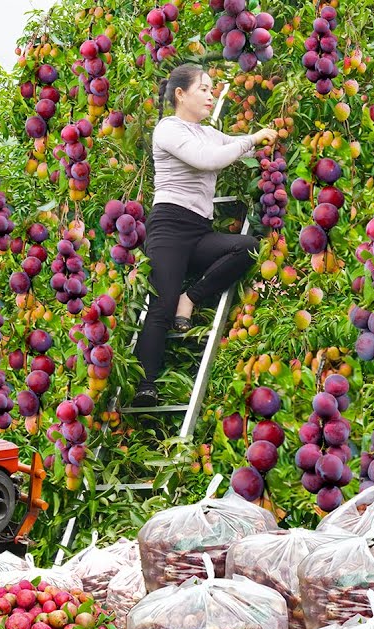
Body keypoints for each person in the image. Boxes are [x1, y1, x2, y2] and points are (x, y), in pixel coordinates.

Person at [131, 63, 278, 407]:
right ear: (180, 94)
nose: (211, 95)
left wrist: (270, 137)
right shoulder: (169, 129)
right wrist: (253, 138)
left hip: (199, 228)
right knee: (161, 305)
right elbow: (209, 160)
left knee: (247, 248)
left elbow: (234, 146)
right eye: (204, 89)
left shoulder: (209, 132)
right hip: (168, 227)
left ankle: (191, 298)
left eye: (213, 89)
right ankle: (145, 385)